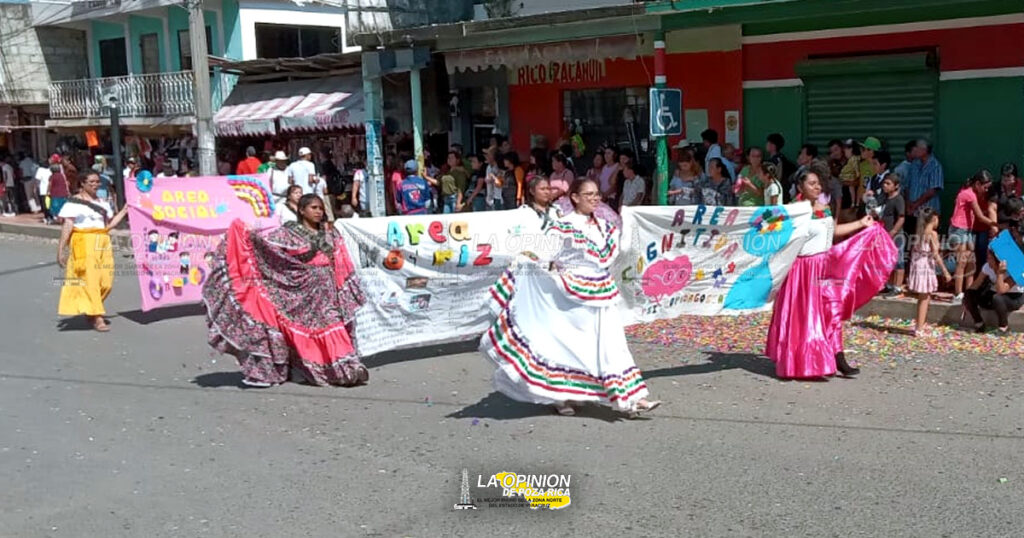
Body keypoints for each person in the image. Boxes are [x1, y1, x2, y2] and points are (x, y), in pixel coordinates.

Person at [479, 178, 662, 417]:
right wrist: (528, 266)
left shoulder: (605, 226)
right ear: (574, 197)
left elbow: (614, 255)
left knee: (612, 345)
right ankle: (559, 395)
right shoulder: (563, 226)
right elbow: (543, 254)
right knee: (565, 347)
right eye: (588, 194)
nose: (595, 199)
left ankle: (634, 398)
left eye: (597, 194)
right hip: (570, 294)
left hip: (602, 291)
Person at [203, 194, 367, 387]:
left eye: (321, 208)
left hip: (327, 292)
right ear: (302, 210)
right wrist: (245, 233)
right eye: (313, 208)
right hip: (298, 292)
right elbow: (264, 248)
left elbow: (340, 259)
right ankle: (317, 368)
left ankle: (347, 367)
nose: (318, 212)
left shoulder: (330, 234)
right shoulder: (288, 233)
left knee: (333, 323)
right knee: (303, 329)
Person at [765, 169, 897, 379]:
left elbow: (833, 231)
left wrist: (861, 224)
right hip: (803, 270)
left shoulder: (824, 208)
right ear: (800, 187)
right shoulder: (792, 212)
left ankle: (838, 356)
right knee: (807, 317)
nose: (817, 187)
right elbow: (778, 238)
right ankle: (802, 361)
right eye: (812, 184)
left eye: (818, 183)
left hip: (826, 266)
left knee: (832, 310)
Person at [56, 171, 129, 332]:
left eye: (97, 182)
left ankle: (91, 308)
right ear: (82, 183)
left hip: (103, 241)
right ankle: (97, 317)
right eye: (91, 182)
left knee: (106, 281)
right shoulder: (73, 203)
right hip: (84, 241)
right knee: (91, 280)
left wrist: (124, 211)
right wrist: (61, 249)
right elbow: (67, 226)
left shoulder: (103, 202)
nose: (96, 185)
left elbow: (108, 225)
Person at [948, 170, 995, 301]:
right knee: (962, 262)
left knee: (971, 262)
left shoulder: (967, 192)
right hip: (959, 230)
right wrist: (996, 225)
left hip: (967, 230)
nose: (986, 190)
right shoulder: (969, 194)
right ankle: (958, 294)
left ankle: (969, 292)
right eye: (985, 187)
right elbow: (980, 216)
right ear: (978, 184)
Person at [905, 207, 951, 336]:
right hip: (925, 266)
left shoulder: (918, 233)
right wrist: (945, 271)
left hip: (918, 264)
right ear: (934, 219)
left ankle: (920, 324)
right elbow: (936, 254)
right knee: (925, 298)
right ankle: (919, 328)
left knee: (923, 297)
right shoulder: (932, 234)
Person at [964, 249, 1024, 335]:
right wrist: (967, 300)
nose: (987, 261)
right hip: (994, 294)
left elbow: (1001, 290)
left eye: (990, 259)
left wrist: (1000, 274)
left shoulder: (1014, 270)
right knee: (969, 293)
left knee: (997, 298)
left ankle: (1003, 326)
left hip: (1013, 297)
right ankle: (979, 323)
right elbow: (976, 285)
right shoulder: (987, 267)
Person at [878, 174, 907, 295]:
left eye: (888, 183)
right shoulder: (885, 198)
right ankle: (888, 285)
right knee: (888, 261)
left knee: (898, 261)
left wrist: (893, 232)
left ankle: (898, 287)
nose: (885, 186)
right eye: (884, 183)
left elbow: (901, 218)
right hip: (885, 235)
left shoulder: (898, 199)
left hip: (896, 236)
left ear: (896, 186)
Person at [906, 139, 944, 217]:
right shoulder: (914, 164)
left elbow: (932, 190)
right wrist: (908, 203)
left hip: (927, 212)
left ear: (924, 150)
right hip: (912, 211)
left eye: (917, 148)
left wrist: (916, 204)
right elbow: (908, 185)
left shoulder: (935, 166)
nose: (915, 150)